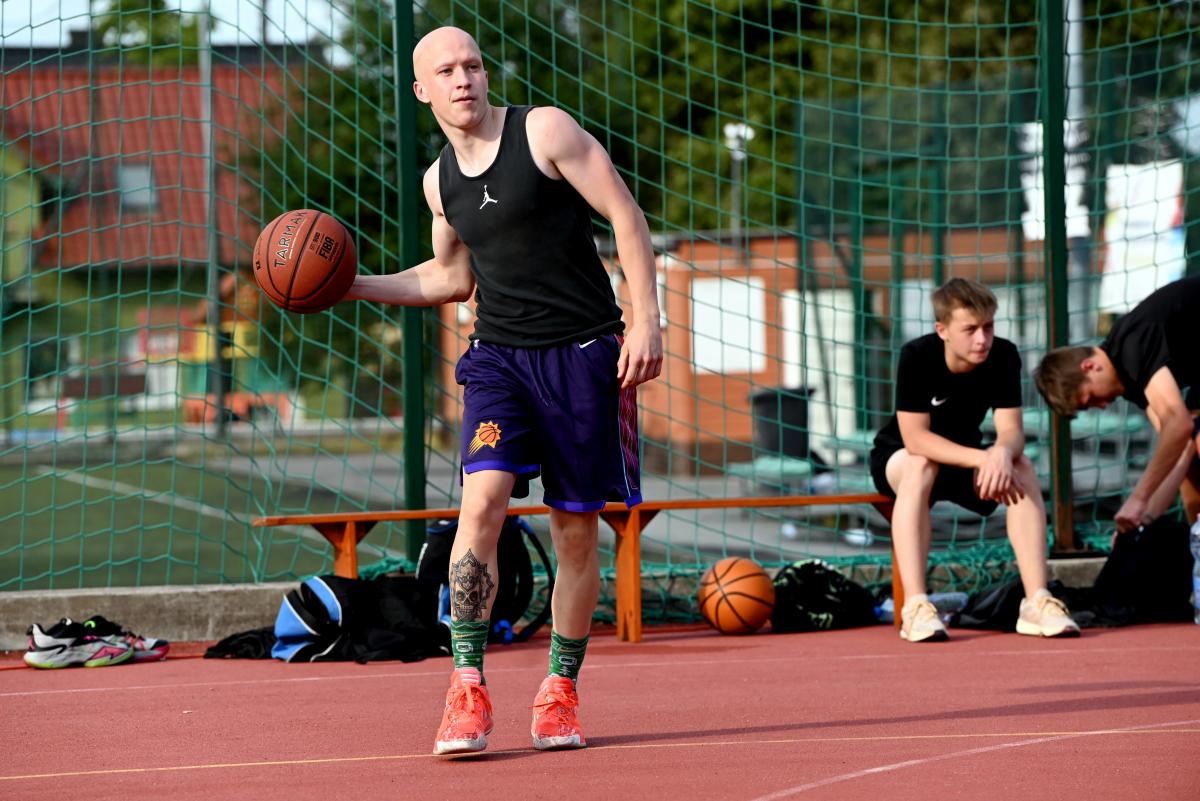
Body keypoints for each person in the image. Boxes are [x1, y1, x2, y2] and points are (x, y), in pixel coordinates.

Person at [345, 26, 662, 755]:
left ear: (486, 75)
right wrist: (352, 284)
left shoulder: (543, 131)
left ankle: (559, 690)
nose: (463, 79)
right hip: (497, 360)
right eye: (445, 71)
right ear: (421, 90)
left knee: (574, 531)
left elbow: (625, 213)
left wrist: (647, 320)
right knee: (481, 502)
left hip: (584, 354)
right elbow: (450, 279)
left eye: (473, 65)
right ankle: (466, 687)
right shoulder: (439, 182)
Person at [870, 278, 1079, 643]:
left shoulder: (1004, 355)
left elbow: (1011, 431)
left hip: (965, 459)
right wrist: (984, 457)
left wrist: (1001, 452)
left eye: (988, 327)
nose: (982, 339)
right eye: (970, 330)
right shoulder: (917, 356)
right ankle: (916, 607)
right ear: (943, 330)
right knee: (921, 465)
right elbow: (916, 439)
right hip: (900, 459)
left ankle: (1036, 600)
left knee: (1022, 466)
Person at [1035, 275, 1200, 534]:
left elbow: (1178, 425)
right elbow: (1179, 448)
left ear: (1090, 366)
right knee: (1188, 454)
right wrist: (1138, 522)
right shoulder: (1130, 375)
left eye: (1091, 398)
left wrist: (1137, 499)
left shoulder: (1132, 345)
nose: (1101, 406)